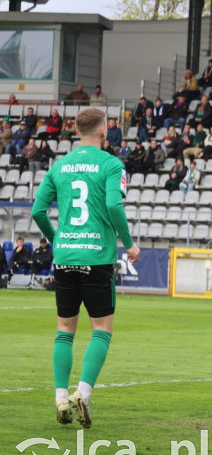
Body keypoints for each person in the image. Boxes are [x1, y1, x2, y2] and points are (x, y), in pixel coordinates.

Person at [31, 107, 140, 427]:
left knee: (64, 331)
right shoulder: (111, 164)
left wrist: (57, 239)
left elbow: (38, 211)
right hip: (96, 258)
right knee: (102, 329)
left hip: (65, 258)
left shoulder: (60, 166)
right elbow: (113, 204)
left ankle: (60, 398)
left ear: (77, 132)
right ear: (103, 131)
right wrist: (129, 244)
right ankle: (82, 392)